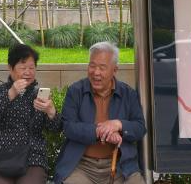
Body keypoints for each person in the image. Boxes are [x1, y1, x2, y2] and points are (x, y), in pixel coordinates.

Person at [54, 42, 146, 184]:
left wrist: (118, 124)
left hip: (120, 166)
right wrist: (101, 131)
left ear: (114, 70)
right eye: (92, 66)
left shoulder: (128, 94)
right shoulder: (75, 91)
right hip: (81, 166)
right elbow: (68, 127)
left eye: (102, 68)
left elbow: (139, 128)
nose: (96, 72)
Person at [0, 43, 61, 184]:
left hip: (33, 158)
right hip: (3, 157)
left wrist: (51, 111)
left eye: (31, 68)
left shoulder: (39, 95)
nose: (28, 72)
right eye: (23, 68)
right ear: (10, 68)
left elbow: (55, 129)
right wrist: (11, 93)